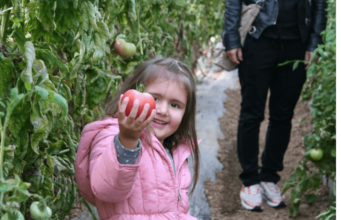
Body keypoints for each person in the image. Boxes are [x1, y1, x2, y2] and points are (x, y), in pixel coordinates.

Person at [223, 0, 328, 211]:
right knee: (252, 113)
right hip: (258, 38)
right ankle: (250, 180)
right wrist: (232, 37)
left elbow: (319, 3)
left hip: (296, 43)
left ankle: (269, 177)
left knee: (282, 115)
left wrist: (314, 42)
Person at [75, 58, 200, 219]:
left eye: (175, 105)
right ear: (132, 96)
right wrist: (127, 140)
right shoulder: (113, 135)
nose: (163, 110)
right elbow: (105, 190)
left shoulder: (174, 150)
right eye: (155, 99)